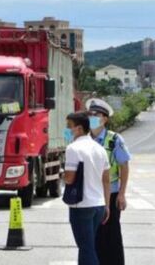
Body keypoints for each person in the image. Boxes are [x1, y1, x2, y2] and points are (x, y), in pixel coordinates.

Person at [88, 99, 131, 265]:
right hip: (90, 194)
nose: (92, 117)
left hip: (111, 194)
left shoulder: (114, 139)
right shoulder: (83, 138)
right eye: (90, 114)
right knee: (93, 235)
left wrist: (122, 194)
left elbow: (124, 166)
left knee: (111, 235)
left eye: (96, 115)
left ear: (105, 119)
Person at [64, 111, 111, 265]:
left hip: (81, 205)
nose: (67, 130)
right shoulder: (100, 149)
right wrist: (107, 205)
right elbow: (106, 180)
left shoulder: (73, 148)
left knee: (86, 248)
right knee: (88, 247)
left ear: (78, 128)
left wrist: (62, 175)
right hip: (98, 204)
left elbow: (69, 178)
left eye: (69, 126)